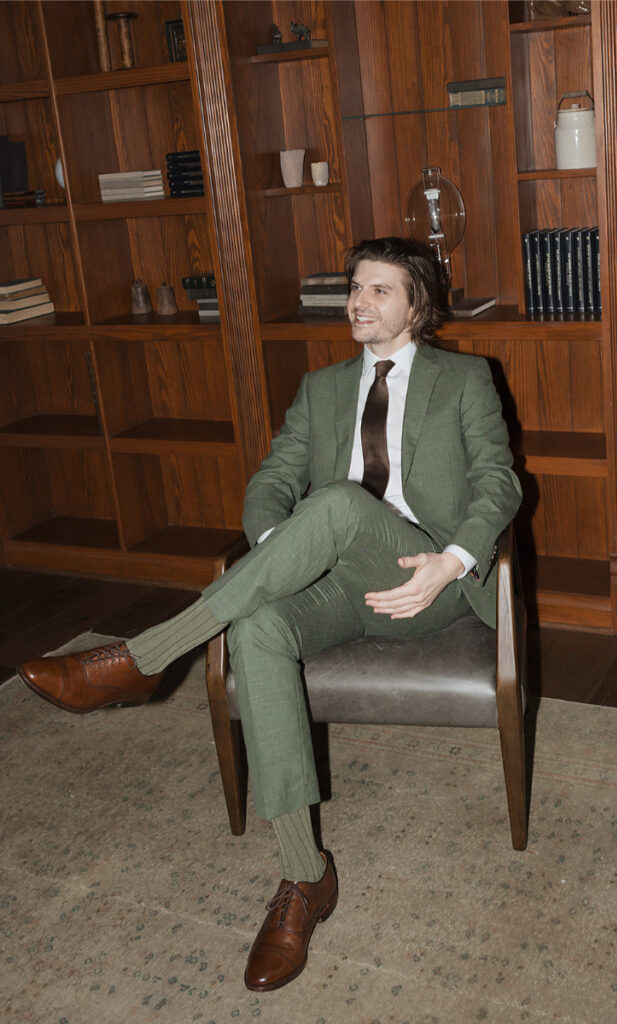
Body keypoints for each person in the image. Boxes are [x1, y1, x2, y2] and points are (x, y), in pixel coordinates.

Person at [18, 236, 522, 993]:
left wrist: (452, 560)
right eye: (354, 287)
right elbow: (271, 482)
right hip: (336, 577)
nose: (358, 300)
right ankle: (303, 877)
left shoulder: (464, 379)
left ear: (417, 305)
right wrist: (283, 547)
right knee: (258, 621)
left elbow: (499, 483)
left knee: (339, 503)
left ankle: (144, 660)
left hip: (423, 581)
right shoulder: (320, 388)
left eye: (379, 290)